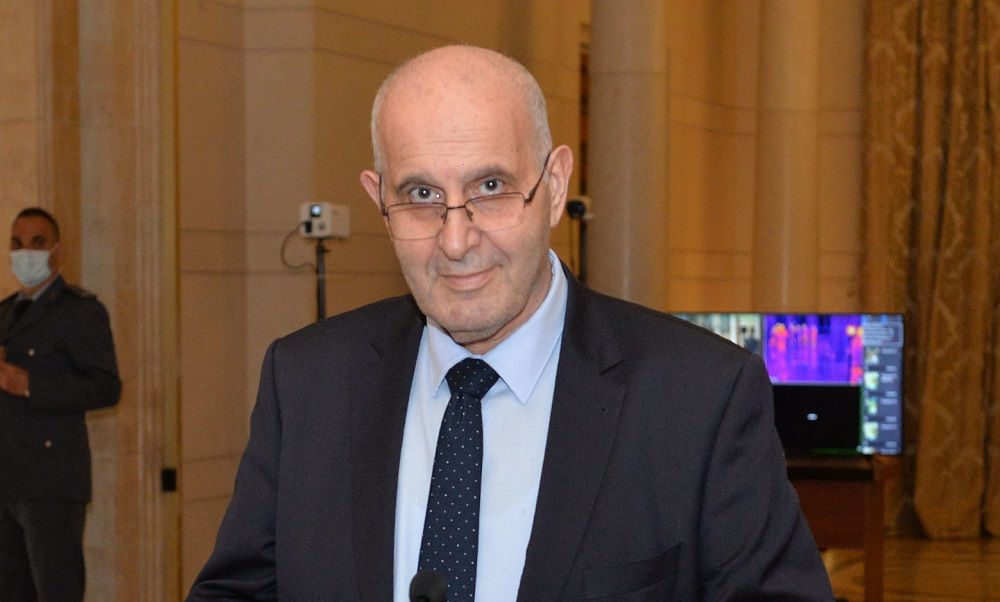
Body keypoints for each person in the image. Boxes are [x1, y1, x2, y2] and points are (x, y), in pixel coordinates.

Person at [189, 45, 834, 600]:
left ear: (554, 185)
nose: (456, 240)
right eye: (421, 195)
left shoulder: (700, 397)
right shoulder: (307, 381)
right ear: (378, 199)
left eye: (491, 187)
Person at [0, 207, 122, 601]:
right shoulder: (5, 313)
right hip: (7, 477)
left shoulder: (79, 311)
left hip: (51, 481)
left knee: (57, 591)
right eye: (17, 243)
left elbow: (106, 388)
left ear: (57, 251)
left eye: (37, 243)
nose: (26, 253)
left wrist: (30, 384)